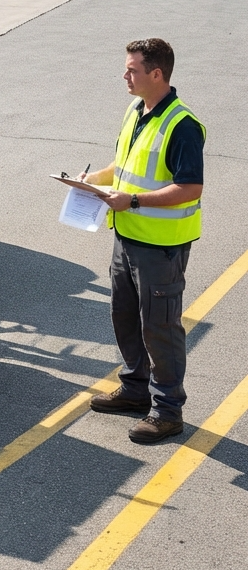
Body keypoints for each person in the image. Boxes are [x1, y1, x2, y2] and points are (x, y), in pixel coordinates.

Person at [82, 38, 204, 444]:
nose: (125, 75)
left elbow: (189, 187)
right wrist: (93, 180)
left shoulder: (183, 125)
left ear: (157, 74)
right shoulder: (138, 110)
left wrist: (132, 200)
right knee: (125, 317)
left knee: (161, 328)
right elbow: (125, 164)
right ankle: (136, 389)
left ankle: (167, 411)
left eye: (132, 69)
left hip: (160, 246)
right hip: (127, 237)